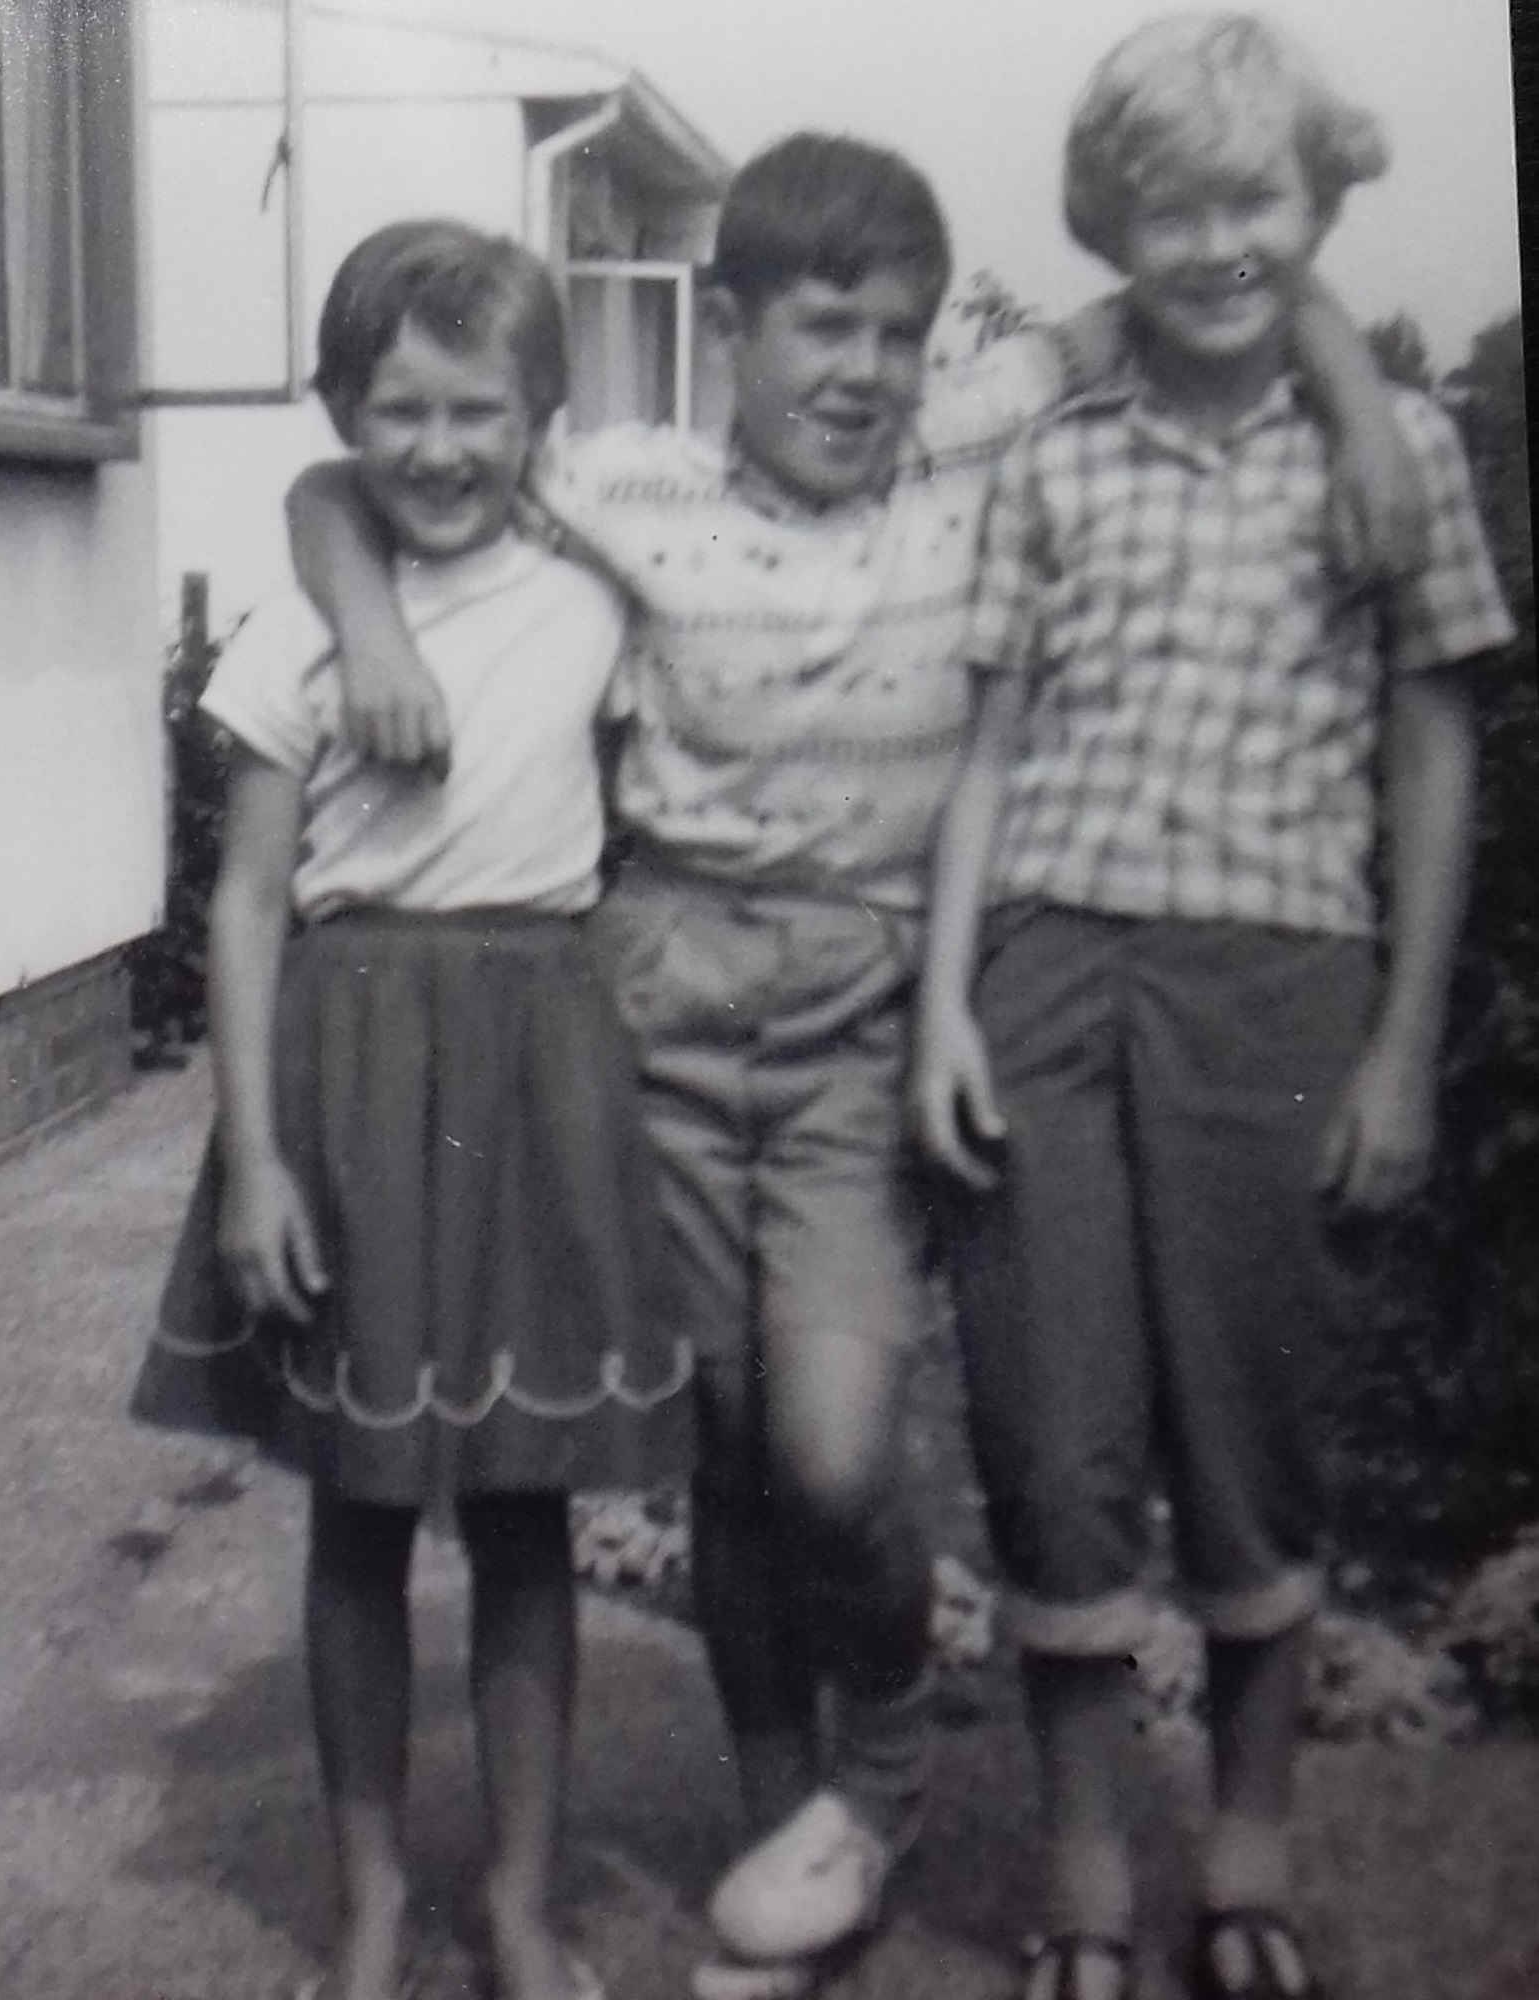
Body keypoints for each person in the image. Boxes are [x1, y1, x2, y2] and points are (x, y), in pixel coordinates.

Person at [285, 132, 1421, 1999]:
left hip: (855, 1034)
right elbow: (350, 476)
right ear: (724, 330)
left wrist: (1364, 401)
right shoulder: (620, 480)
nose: (861, 375)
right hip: (649, 1014)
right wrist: (369, 623)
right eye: (820, 331)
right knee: (727, 1459)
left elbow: (1208, 270)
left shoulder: (964, 440)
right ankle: (784, 1826)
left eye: (896, 334)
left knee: (827, 1455)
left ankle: (879, 1756)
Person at [914, 18, 1513, 2000]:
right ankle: (1086, 1878)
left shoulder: (1393, 448)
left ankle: (1243, 1854)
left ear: (1322, 209)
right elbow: (986, 750)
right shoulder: (1053, 450)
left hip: (1279, 979)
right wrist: (942, 1006)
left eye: (1254, 199)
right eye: (1166, 208)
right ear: (1109, 226)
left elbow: (1433, 749)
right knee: (1052, 1434)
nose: (1214, 242)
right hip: (1050, 966)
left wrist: (1403, 1041)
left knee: (1258, 1439)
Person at [133, 220, 694, 2000]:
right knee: (359, 1511)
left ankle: (518, 1902)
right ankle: (371, 1896)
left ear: (541, 415)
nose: (437, 449)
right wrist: (258, 1168)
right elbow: (243, 903)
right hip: (354, 1072)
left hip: (539, 1067)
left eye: (477, 410)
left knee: (528, 1508)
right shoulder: (303, 637)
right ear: (341, 414)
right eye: (396, 412)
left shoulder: (601, 595)